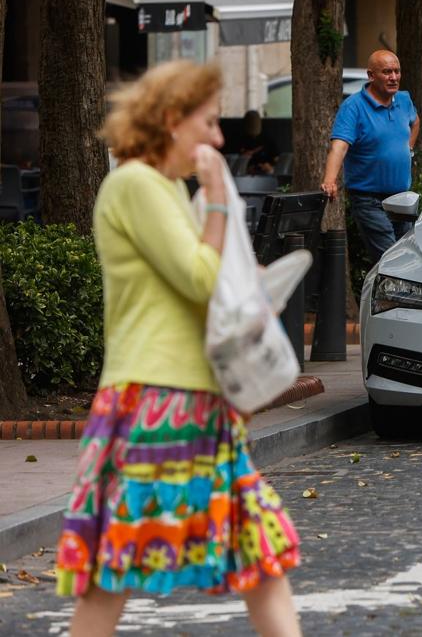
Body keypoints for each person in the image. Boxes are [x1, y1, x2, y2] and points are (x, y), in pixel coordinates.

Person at [56, 61, 302, 637]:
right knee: (115, 568)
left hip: (186, 400)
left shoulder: (161, 188)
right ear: (171, 119)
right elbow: (198, 277)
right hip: (156, 401)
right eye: (209, 122)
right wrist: (218, 199)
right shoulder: (135, 185)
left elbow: (205, 282)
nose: (219, 138)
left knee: (258, 549)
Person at [321, 49, 420, 261]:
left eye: (396, 71)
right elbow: (339, 146)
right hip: (369, 201)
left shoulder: (404, 100)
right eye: (387, 72)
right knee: (391, 259)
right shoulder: (354, 107)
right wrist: (330, 180)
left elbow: (415, 121)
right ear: (371, 75)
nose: (393, 77)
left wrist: (408, 147)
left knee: (406, 261)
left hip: (402, 199)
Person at [230, 109, 279, 175]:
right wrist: (244, 163)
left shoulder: (268, 140)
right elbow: (233, 163)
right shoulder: (238, 140)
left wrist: (270, 168)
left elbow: (277, 160)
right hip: (244, 174)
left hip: (266, 174)